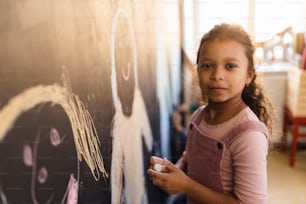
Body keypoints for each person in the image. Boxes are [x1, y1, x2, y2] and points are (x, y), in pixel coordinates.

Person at [147, 23, 273, 204]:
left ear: (249, 75)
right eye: (207, 65)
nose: (217, 75)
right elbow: (189, 156)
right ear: (197, 70)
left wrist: (186, 186)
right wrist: (175, 169)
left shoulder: (248, 135)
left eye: (230, 66)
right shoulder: (198, 116)